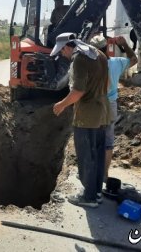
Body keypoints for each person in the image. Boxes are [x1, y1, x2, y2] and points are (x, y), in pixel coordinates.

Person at [51, 32, 110, 208]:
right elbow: (107, 84)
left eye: (62, 51)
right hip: (103, 112)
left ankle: (89, 197)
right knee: (98, 154)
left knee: (86, 156)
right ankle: (97, 193)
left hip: (87, 116)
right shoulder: (97, 53)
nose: (62, 55)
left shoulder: (79, 59)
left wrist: (61, 104)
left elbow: (78, 91)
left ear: (68, 47)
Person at [90, 35, 138, 179]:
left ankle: (91, 172)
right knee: (108, 141)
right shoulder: (117, 63)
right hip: (110, 104)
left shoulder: (89, 64)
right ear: (106, 48)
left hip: (94, 104)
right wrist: (124, 45)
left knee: (91, 137)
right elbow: (134, 59)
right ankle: (104, 173)